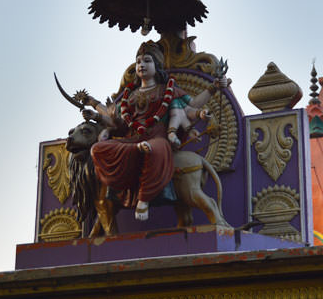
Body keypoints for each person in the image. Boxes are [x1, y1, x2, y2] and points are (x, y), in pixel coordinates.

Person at [82, 41, 222, 225]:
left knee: (155, 148)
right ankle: (133, 157)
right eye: (138, 61)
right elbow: (121, 126)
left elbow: (192, 105)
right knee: (97, 149)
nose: (141, 65)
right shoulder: (130, 96)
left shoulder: (168, 91)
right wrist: (101, 117)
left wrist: (213, 88)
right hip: (133, 140)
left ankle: (144, 199)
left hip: (158, 138)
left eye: (147, 61)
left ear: (156, 65)